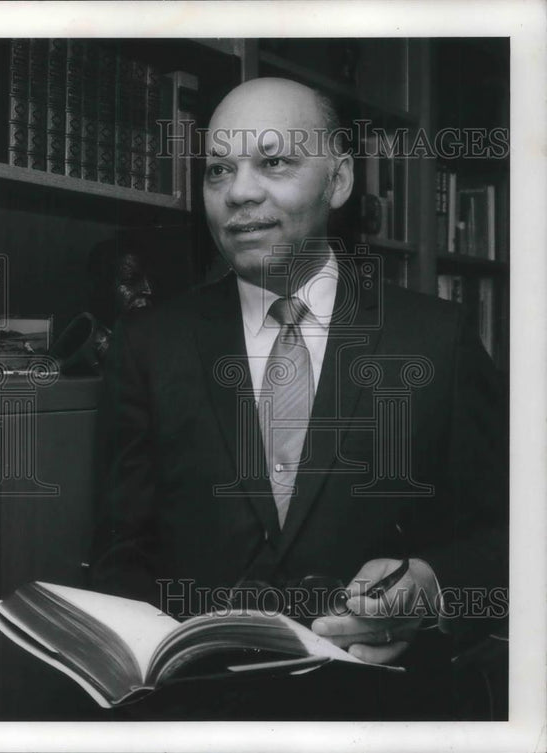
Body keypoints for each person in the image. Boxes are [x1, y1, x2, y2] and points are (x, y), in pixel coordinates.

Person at [89, 78, 508, 719]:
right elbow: (123, 548)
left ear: (338, 181)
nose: (239, 192)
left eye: (274, 161)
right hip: (197, 715)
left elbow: (505, 538)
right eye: (218, 170)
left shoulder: (437, 339)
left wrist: (430, 588)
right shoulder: (147, 343)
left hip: (387, 715)